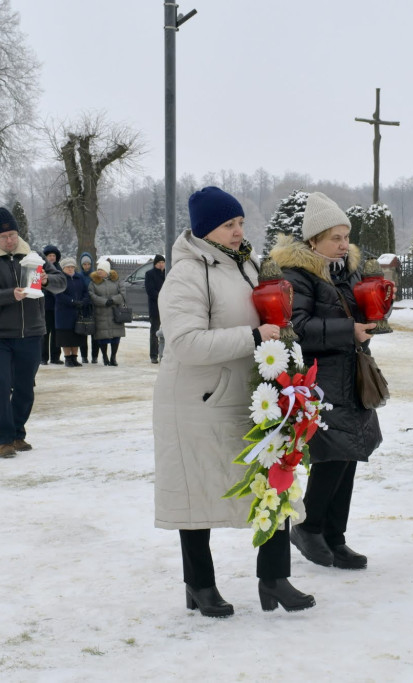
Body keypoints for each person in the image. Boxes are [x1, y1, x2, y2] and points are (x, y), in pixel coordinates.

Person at [153, 186, 313, 617]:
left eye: (241, 222)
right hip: (197, 401)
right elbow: (184, 343)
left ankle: (275, 578)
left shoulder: (246, 265)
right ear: (207, 229)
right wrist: (254, 337)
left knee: (273, 481)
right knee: (197, 491)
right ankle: (200, 584)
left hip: (249, 394)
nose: (239, 231)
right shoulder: (187, 274)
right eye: (229, 225)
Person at [271, 191, 383, 572]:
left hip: (352, 374)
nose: (342, 244)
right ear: (313, 240)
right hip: (321, 378)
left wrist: (378, 306)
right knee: (332, 455)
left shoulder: (347, 271)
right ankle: (309, 527)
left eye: (345, 236)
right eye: (334, 237)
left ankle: (336, 536)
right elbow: (296, 328)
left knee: (349, 455)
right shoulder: (297, 276)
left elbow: (361, 312)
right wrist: (347, 330)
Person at [0, 207, 66, 458]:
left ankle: (17, 433)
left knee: (25, 387)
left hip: (31, 332)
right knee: (1, 384)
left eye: (13, 234)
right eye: (4, 237)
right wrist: (9, 295)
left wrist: (47, 281)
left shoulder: (33, 256)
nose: (10, 240)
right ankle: (4, 439)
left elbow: (61, 283)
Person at [88, 258, 127, 366]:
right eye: (98, 269)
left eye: (102, 270)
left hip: (115, 313)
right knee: (102, 336)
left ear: (107, 271)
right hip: (101, 313)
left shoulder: (117, 281)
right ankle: (105, 356)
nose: (99, 271)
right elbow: (92, 295)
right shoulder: (93, 283)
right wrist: (104, 302)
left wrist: (113, 300)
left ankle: (113, 357)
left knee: (116, 336)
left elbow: (123, 294)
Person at [54, 257, 90, 367]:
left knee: (76, 335)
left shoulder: (79, 278)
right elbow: (58, 294)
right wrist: (72, 301)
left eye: (72, 267)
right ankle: (67, 358)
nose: (70, 269)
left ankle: (74, 357)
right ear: (63, 268)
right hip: (64, 312)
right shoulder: (60, 279)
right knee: (66, 336)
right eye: (68, 267)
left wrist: (83, 301)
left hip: (77, 312)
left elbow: (86, 291)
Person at [40, 245, 63, 365]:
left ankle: (55, 356)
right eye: (49, 256)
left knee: (56, 333)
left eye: (54, 255)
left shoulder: (59, 269)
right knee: (45, 332)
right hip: (45, 306)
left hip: (58, 306)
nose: (52, 258)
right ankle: (43, 357)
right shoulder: (42, 269)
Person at [144, 254, 166, 364]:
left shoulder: (167, 274)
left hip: (167, 307)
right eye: (159, 263)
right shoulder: (149, 274)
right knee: (155, 331)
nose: (161, 264)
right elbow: (150, 291)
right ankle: (153, 355)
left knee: (168, 330)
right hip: (155, 307)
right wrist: (162, 296)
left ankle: (166, 353)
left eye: (162, 262)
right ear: (155, 264)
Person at [78, 252, 96, 363]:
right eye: (84, 264)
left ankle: (94, 356)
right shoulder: (79, 276)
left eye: (88, 264)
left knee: (94, 332)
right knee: (83, 332)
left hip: (93, 306)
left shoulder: (95, 276)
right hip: (82, 306)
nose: (87, 266)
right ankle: (84, 356)